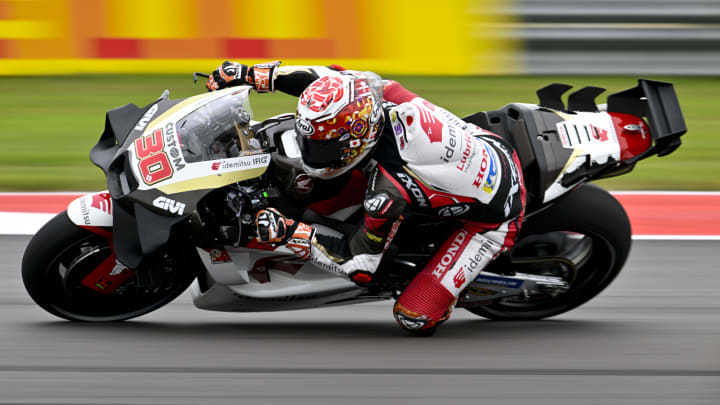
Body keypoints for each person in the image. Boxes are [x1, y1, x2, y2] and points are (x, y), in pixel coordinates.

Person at [206, 61, 526, 334]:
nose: (311, 151)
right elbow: (322, 75)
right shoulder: (366, 91)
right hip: (476, 144)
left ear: (357, 138)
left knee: (413, 317)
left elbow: (363, 265)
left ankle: (458, 279)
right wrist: (250, 74)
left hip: (491, 219)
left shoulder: (389, 189)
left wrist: (289, 233)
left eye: (323, 146)